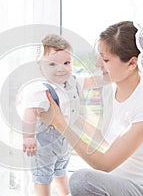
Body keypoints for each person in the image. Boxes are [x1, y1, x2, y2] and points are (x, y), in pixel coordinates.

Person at [38, 21, 143, 196]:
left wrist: (61, 124)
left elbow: (104, 164)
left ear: (132, 63)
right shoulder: (111, 91)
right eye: (99, 56)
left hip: (140, 189)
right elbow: (104, 137)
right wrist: (70, 115)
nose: (98, 64)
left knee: (81, 179)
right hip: (112, 183)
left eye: (106, 59)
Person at [18, 34, 100, 196]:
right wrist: (28, 137)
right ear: (41, 68)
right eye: (53, 64)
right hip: (44, 144)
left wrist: (107, 78)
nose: (61, 68)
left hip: (63, 140)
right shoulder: (41, 89)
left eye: (66, 63)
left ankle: (66, 194)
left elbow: (89, 81)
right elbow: (30, 112)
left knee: (61, 169)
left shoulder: (71, 82)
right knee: (43, 177)